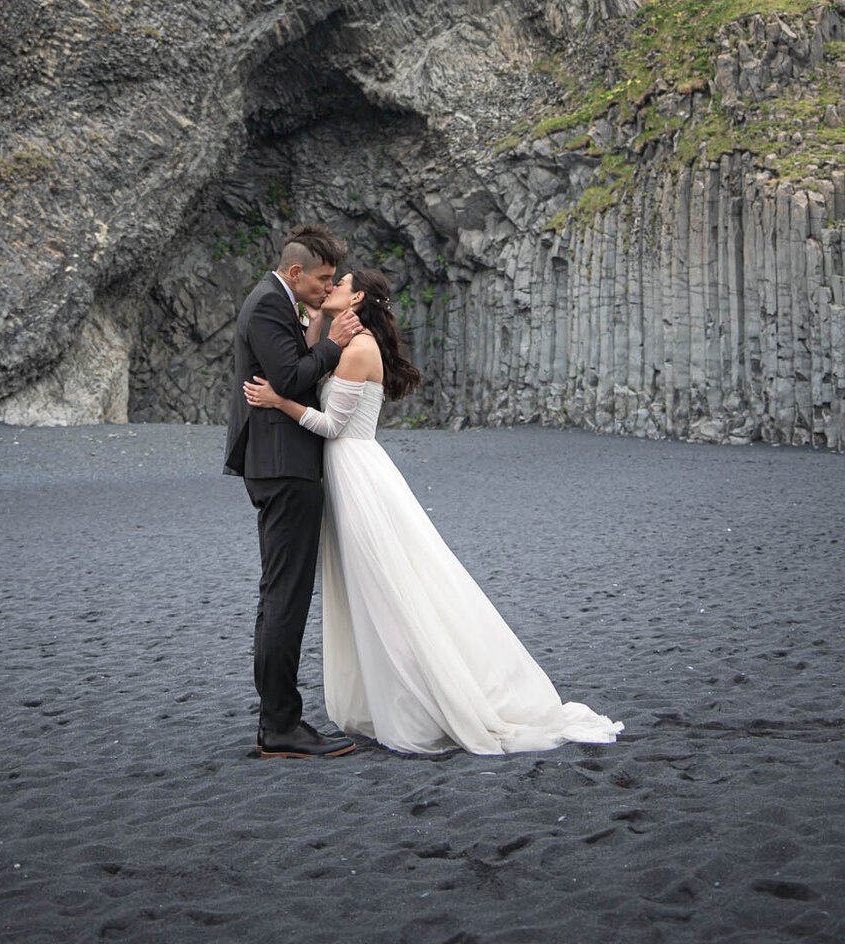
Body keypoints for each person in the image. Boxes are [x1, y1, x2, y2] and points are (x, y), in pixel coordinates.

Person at [244, 268, 624, 757]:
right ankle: (393, 697)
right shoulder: (347, 342)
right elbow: (311, 364)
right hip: (348, 474)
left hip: (357, 474)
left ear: (357, 297)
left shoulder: (360, 351)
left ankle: (424, 700)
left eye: (339, 284)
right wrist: (317, 320)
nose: (330, 286)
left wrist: (278, 401)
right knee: (369, 591)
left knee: (389, 591)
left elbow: (332, 425)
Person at [224, 224, 364, 759]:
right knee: (284, 597)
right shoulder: (266, 305)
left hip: (280, 464)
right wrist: (334, 345)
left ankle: (278, 721)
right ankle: (280, 725)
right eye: (323, 280)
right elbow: (288, 377)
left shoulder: (278, 303)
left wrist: (320, 327)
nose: (326, 289)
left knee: (280, 594)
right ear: (295, 272)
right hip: (283, 467)